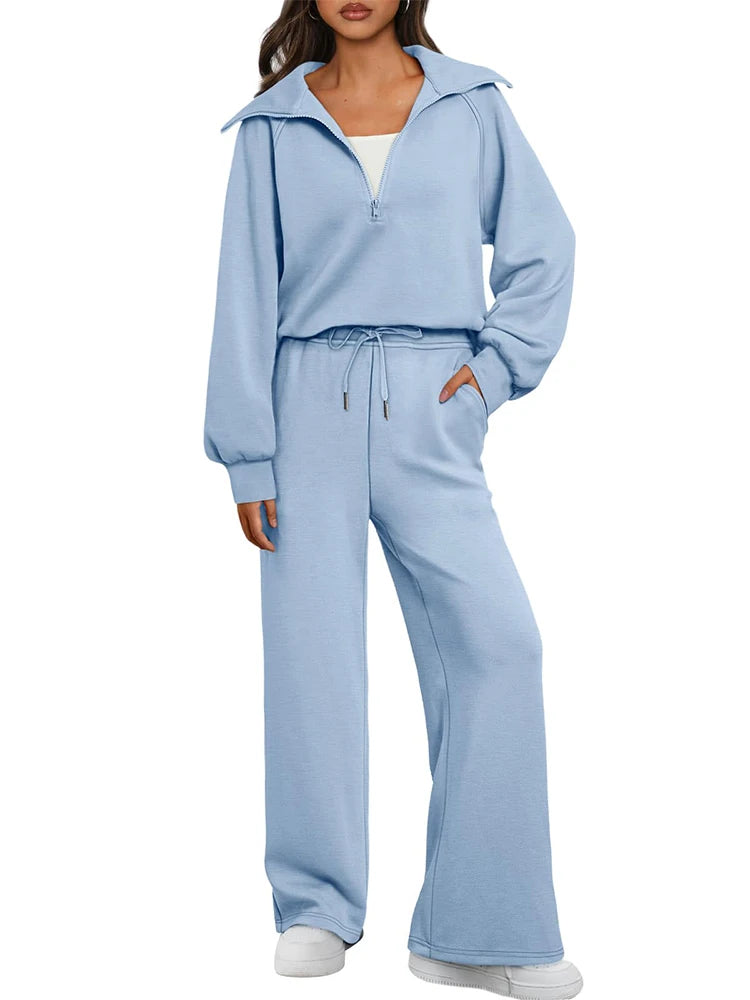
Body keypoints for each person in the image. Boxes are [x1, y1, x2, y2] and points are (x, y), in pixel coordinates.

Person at [204, 1, 582, 996]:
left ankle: (478, 928)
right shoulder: (273, 124)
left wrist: (493, 373)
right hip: (303, 403)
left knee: (500, 643)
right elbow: (244, 290)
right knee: (313, 662)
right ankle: (316, 905)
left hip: (433, 401)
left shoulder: (471, 104)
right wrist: (247, 455)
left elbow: (544, 248)